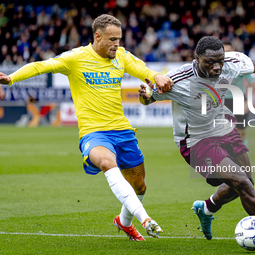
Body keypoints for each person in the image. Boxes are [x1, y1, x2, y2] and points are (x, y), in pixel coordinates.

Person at [0, 14, 174, 241]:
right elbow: (42, 66)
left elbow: (142, 69)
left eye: (119, 39)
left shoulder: (121, 56)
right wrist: (11, 78)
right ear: (97, 36)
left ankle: (124, 222)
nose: (116, 44)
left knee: (140, 186)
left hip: (123, 131)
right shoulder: (76, 58)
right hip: (94, 133)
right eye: (112, 39)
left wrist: (157, 76)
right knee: (106, 162)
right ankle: (146, 219)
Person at [139, 36, 255, 247]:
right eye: (210, 62)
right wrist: (144, 94)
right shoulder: (178, 79)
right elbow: (147, 98)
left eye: (220, 61)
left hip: (224, 126)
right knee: (240, 182)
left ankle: (206, 208)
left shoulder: (230, 63)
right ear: (196, 59)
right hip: (195, 141)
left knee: (246, 182)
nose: (217, 67)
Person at [223, 42, 255, 147]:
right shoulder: (215, 67)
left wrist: (248, 102)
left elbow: (252, 83)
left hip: (239, 100)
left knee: (241, 132)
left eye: (228, 51)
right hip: (223, 101)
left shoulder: (240, 65)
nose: (226, 54)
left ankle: (242, 158)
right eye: (224, 52)